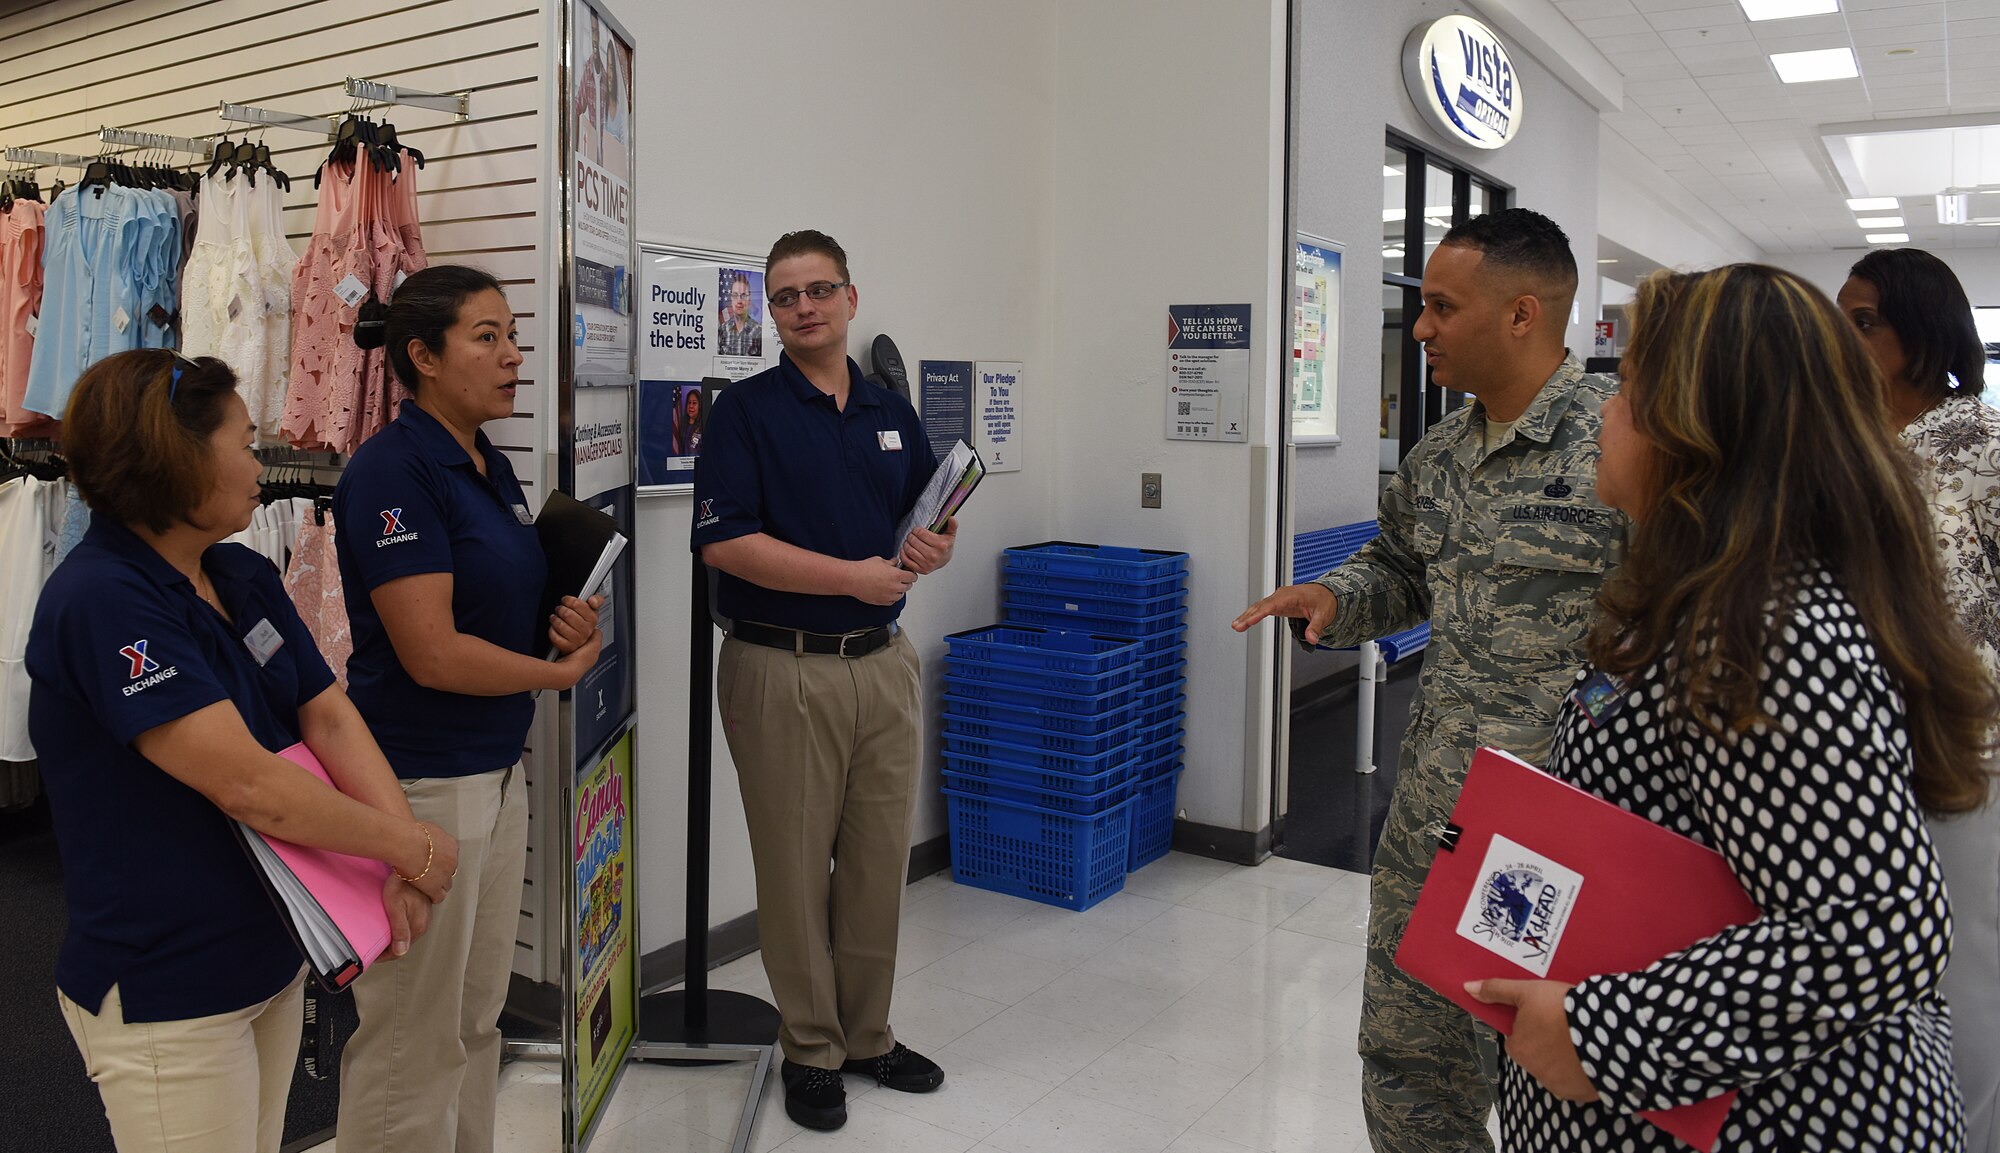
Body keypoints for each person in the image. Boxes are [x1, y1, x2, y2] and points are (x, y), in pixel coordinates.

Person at [1472, 263, 1989, 1150]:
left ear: (1699, 424)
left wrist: (1607, 1034)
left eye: (1629, 386)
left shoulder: (1764, 629)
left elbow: (1876, 925)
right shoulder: (1716, 597)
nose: (1605, 407)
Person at [1233, 208, 1628, 1152]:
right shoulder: (1442, 454)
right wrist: (1336, 595)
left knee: (1564, 1090)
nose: (1421, 328)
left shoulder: (1621, 448)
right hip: (1436, 826)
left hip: (1567, 839)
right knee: (1408, 1071)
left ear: (1523, 314)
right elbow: (1402, 567)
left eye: (1442, 307)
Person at [29, 349, 459, 1153]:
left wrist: (404, 860)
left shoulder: (238, 571)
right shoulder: (101, 600)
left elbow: (327, 714)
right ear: (178, 455)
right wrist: (413, 844)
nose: (259, 458)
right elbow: (249, 784)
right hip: (168, 980)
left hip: (267, 951)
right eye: (244, 438)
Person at [332, 266, 603, 1153]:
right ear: (423, 356)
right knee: (413, 1035)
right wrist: (553, 675)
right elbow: (432, 651)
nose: (513, 354)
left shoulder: (490, 464)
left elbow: (491, 608)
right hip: (418, 785)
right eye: (487, 336)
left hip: (495, 770)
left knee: (476, 1018)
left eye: (512, 334)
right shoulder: (390, 471)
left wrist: (559, 623)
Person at [692, 229, 955, 1132]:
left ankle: (868, 1033)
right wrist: (851, 575)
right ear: (771, 312)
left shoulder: (888, 409)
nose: (803, 307)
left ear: (850, 296)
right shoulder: (744, 414)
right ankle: (811, 1047)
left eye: (818, 290)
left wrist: (935, 543)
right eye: (784, 296)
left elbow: (928, 511)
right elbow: (725, 542)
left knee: (879, 864)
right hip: (782, 666)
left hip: (883, 665)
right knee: (796, 869)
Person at [1839, 247, 2000, 1152]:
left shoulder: (1979, 444)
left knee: (1963, 968)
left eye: (1865, 321)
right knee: (1885, 966)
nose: (1845, 336)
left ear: (1923, 332)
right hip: (1855, 746)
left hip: (1956, 747)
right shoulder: (1846, 445)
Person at [717, 271, 762, 358]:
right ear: (731, 299)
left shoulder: (758, 332)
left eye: (744, 296)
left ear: (749, 298)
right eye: (735, 295)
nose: (739, 301)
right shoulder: (722, 330)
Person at [673, 384, 705, 457]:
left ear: (700, 406)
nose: (691, 406)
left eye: (694, 403)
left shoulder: (703, 426)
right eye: (689, 402)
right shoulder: (682, 424)